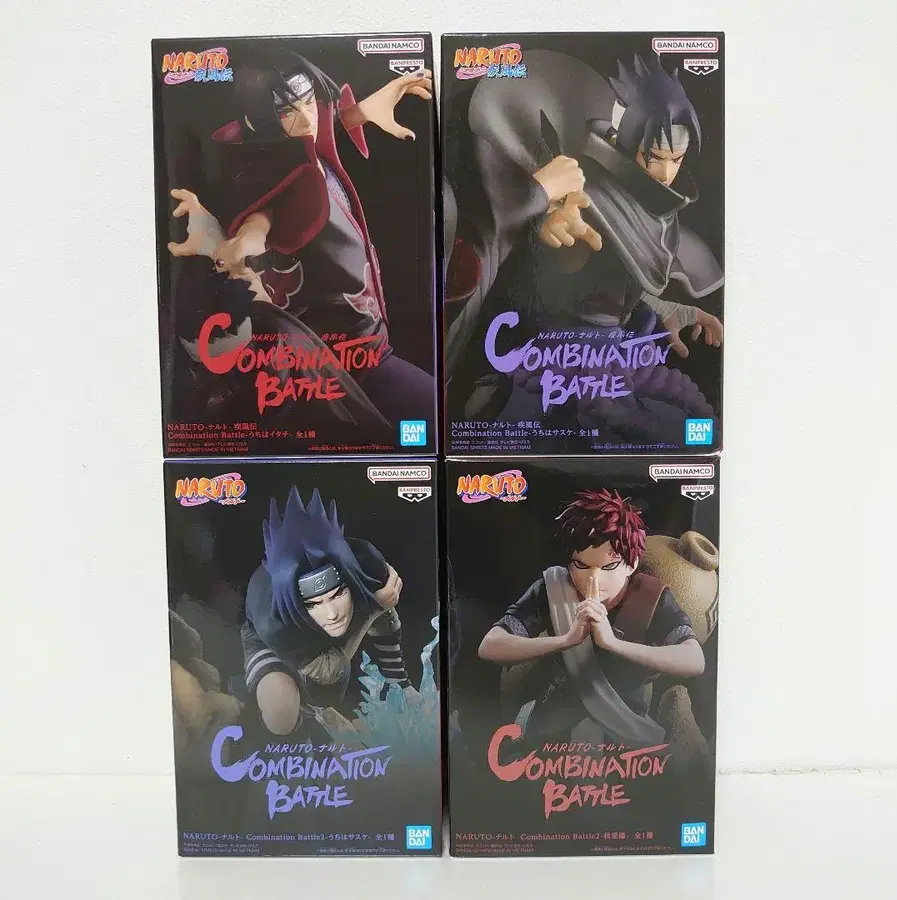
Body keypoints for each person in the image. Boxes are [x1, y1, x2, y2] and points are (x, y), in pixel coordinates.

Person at [445, 50, 723, 442]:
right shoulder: (586, 192)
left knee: (692, 424)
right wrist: (545, 227)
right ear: (631, 141)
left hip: (611, 354)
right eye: (655, 157)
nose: (666, 173)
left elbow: (614, 283)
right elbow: (551, 278)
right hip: (557, 359)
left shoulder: (651, 215)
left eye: (677, 159)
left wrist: (672, 310)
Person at [167, 49, 435, 432]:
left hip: (364, 340)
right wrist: (245, 240)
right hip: (350, 358)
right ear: (258, 121)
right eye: (286, 112)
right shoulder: (281, 178)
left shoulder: (304, 148)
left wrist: (360, 111)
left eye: (309, 102)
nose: (307, 118)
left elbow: (318, 133)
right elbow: (264, 211)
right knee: (426, 417)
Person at [478, 488, 704, 746]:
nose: (594, 578)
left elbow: (694, 660)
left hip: (627, 725)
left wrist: (613, 643)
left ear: (631, 564)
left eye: (609, 566)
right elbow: (490, 646)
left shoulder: (652, 597)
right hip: (555, 719)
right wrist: (565, 640)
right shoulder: (553, 587)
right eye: (582, 565)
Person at [241, 487, 412, 735]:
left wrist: (401, 682)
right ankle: (310, 716)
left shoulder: (367, 563)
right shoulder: (271, 620)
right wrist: (374, 608)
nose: (332, 613)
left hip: (330, 650)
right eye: (313, 603)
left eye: (337, 594)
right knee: (281, 717)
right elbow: (327, 672)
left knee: (334, 691)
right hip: (277, 644)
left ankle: (321, 707)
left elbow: (386, 618)